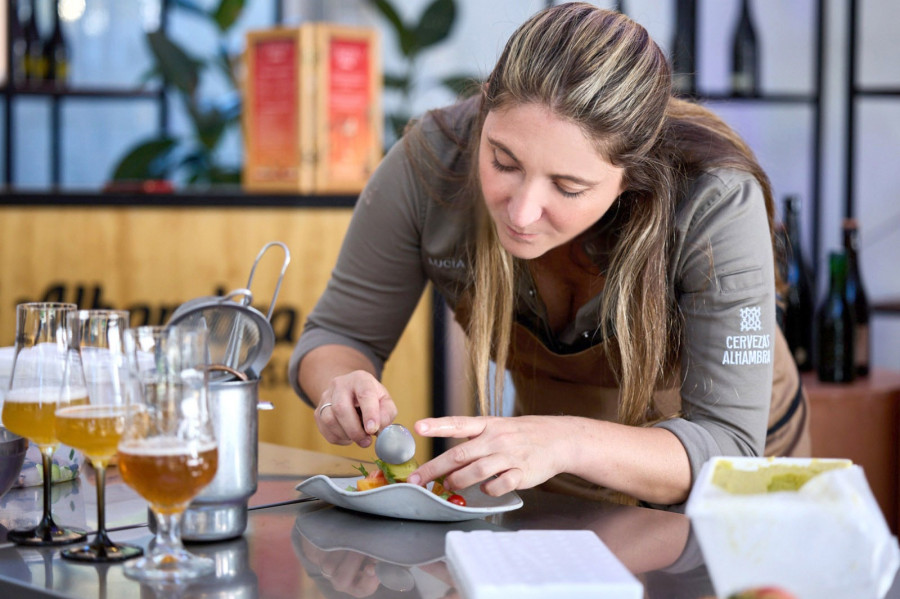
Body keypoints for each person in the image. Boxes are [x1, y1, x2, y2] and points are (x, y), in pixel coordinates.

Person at [288, 2, 810, 509]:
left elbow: (730, 450)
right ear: (487, 102)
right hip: (551, 476)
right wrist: (341, 385)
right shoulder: (432, 164)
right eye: (503, 161)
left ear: (634, 171)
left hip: (731, 489)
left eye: (568, 186)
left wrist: (566, 443)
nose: (522, 212)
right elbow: (340, 335)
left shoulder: (715, 200)